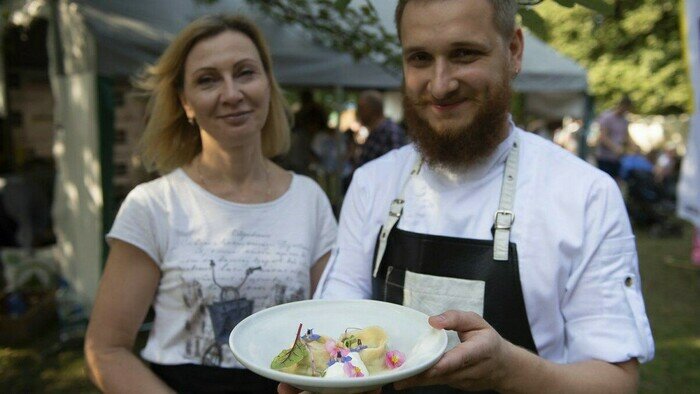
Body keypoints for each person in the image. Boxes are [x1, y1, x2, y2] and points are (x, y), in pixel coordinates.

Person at [305, 1, 654, 393]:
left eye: (464, 54)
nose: (440, 84)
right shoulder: (373, 183)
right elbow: (337, 322)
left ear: (514, 51)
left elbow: (616, 382)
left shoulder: (584, 194)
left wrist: (508, 370)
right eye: (420, 58)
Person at [84, 15, 337, 393]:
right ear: (185, 102)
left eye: (245, 72)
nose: (231, 93)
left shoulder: (309, 199)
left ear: (268, 84)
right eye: (208, 79)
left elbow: (331, 325)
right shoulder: (154, 204)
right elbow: (105, 350)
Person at [355, 90, 407, 167]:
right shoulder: (376, 131)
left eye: (361, 108)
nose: (358, 112)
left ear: (372, 109)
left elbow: (396, 165)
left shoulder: (390, 131)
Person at [594, 96, 636, 180]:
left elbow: (626, 136)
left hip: (617, 159)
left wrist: (634, 147)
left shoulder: (624, 121)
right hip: (604, 157)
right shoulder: (607, 117)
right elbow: (603, 137)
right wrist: (615, 148)